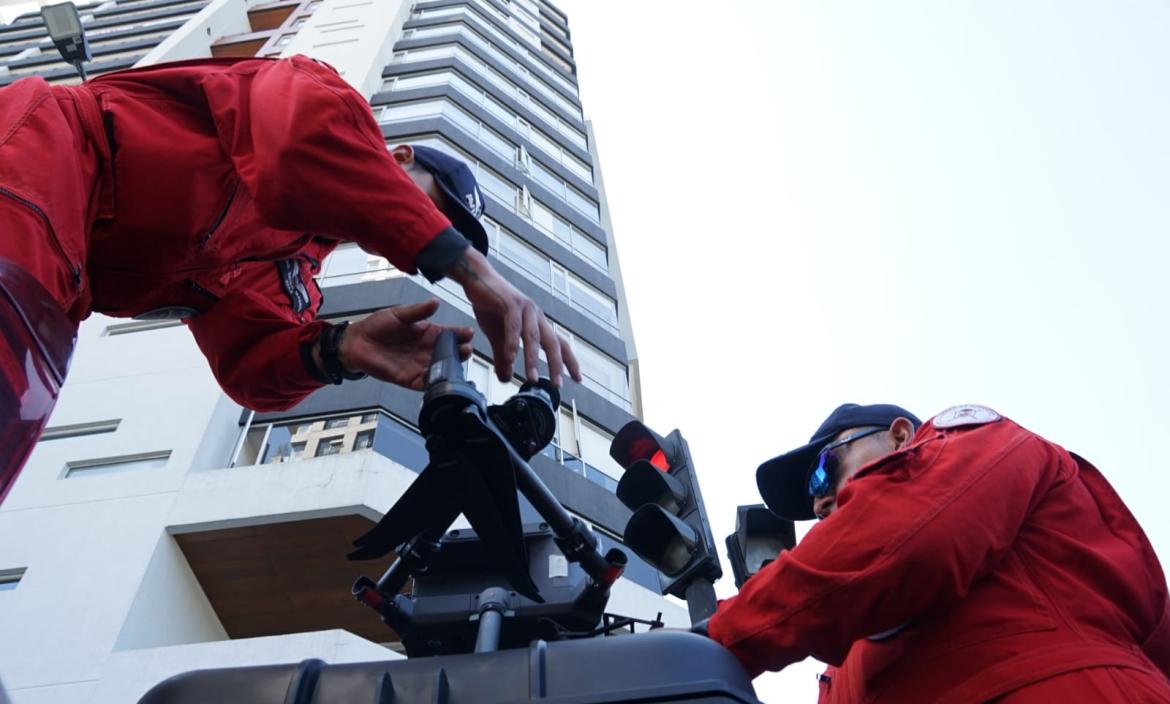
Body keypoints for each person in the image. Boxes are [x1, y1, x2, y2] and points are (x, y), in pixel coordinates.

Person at [0, 54, 580, 499]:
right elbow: (298, 148)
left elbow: (251, 366)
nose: (434, 223)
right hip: (42, 156)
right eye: (438, 207)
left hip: (59, 289)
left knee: (16, 399)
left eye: (445, 223)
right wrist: (471, 268)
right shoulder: (320, 95)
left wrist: (342, 349)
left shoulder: (291, 269)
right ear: (399, 158)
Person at [702, 403, 1170, 703]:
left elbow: (895, 541)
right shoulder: (841, 662)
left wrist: (710, 644)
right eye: (811, 498)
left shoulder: (968, 446)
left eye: (826, 470)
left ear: (902, 437)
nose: (819, 501)